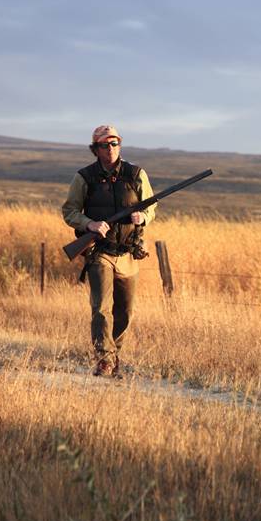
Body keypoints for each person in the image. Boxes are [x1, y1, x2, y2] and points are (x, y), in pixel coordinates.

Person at [62, 125, 156, 376]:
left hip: (127, 252)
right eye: (105, 145)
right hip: (99, 252)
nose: (111, 148)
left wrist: (142, 217)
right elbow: (69, 211)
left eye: (115, 143)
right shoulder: (84, 177)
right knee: (101, 308)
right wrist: (89, 224)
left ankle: (115, 355)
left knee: (125, 311)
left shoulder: (136, 174)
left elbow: (152, 207)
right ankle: (104, 358)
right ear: (96, 149)